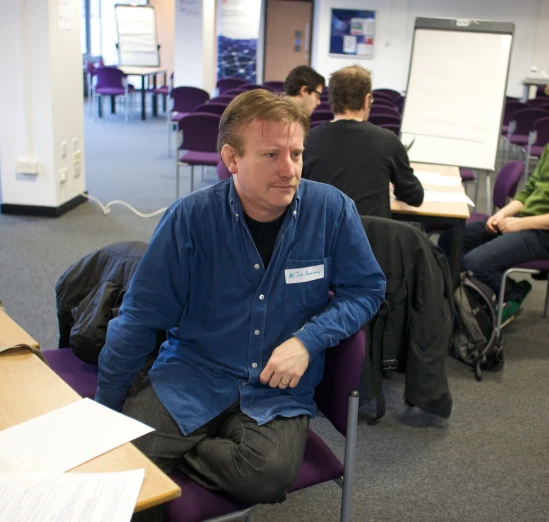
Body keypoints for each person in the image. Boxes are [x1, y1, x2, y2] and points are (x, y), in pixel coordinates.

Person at [95, 89, 385, 517]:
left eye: (297, 154)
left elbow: (366, 290)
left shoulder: (332, 211)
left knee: (265, 475)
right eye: (271, 155)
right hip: (194, 372)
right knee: (120, 461)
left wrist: (307, 341)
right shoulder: (190, 219)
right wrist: (105, 414)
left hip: (276, 391)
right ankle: (163, 447)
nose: (290, 170)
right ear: (232, 159)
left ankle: (173, 451)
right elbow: (139, 317)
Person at [438, 71, 549, 326]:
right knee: (450, 240)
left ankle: (512, 293)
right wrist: (505, 213)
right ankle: (454, 304)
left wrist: (519, 224)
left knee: (474, 262)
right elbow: (530, 189)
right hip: (524, 221)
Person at [302, 65, 424, 218]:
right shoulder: (388, 141)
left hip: (321, 237)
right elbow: (414, 196)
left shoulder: (307, 139)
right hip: (371, 239)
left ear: (331, 99)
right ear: (367, 100)